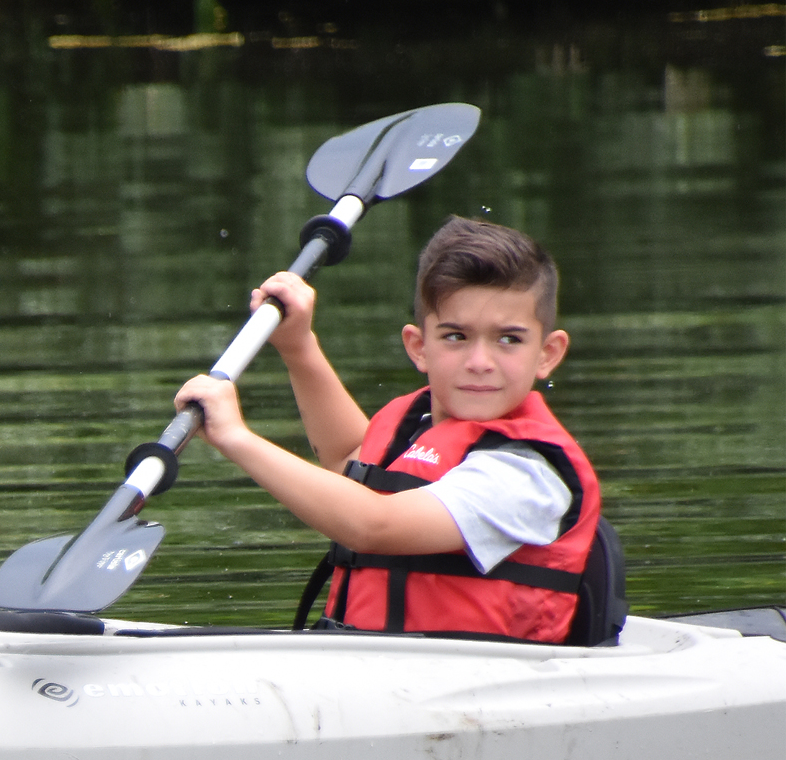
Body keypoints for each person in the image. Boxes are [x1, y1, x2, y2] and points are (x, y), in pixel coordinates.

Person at [174, 216, 600, 643]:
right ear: (419, 347)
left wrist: (236, 438)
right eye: (456, 336)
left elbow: (373, 525)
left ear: (547, 353)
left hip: (475, 688)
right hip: (384, 675)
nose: (480, 362)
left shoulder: (525, 474)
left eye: (508, 339)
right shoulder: (419, 424)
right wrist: (297, 346)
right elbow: (347, 460)